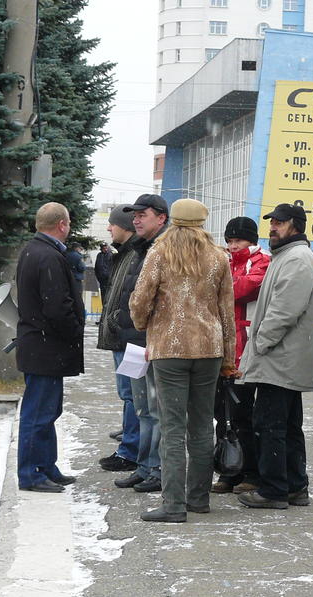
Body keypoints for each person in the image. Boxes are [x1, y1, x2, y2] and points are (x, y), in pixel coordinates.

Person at [131, 198, 236, 523]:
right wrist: (228, 358)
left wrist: (143, 323)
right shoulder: (218, 257)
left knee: (172, 427)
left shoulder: (159, 253)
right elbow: (227, 312)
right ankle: (198, 499)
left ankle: (173, 505)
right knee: (202, 426)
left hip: (170, 348)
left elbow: (141, 299)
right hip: (208, 348)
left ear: (173, 220)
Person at [237, 203, 313, 510]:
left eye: (280, 222)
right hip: (282, 355)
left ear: (295, 225)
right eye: (272, 222)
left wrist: (260, 343)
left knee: (270, 424)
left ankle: (274, 490)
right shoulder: (287, 255)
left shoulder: (297, 258)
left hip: (280, 356)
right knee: (287, 425)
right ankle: (295, 487)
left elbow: (285, 309)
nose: (272, 227)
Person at [100, 194, 170, 493]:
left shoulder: (163, 249)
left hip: (151, 343)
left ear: (161, 218)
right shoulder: (141, 248)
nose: (136, 220)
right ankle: (144, 466)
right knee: (142, 408)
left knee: (155, 411)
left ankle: (156, 469)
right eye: (135, 215)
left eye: (143, 215)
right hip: (134, 343)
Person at [15, 202, 84, 493]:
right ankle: (31, 474)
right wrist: (75, 331)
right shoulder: (49, 256)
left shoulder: (34, 250)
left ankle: (46, 467)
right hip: (46, 347)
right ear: (62, 225)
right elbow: (57, 307)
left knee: (48, 412)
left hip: (40, 346)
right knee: (38, 415)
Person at [211, 216, 270, 495]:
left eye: (239, 240)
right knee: (221, 415)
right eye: (230, 240)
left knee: (243, 414)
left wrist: (221, 286)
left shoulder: (262, 261)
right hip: (219, 349)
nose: (233, 246)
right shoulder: (221, 260)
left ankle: (251, 472)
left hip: (245, 351)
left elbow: (245, 287)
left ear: (252, 240)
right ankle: (227, 468)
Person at [96, 206, 141, 479]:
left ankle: (131, 451)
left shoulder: (136, 255)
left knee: (133, 396)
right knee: (129, 395)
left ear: (125, 226)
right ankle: (130, 441)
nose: (108, 228)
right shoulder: (123, 254)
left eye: (112, 224)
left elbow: (133, 298)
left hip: (130, 339)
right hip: (122, 337)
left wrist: (115, 320)